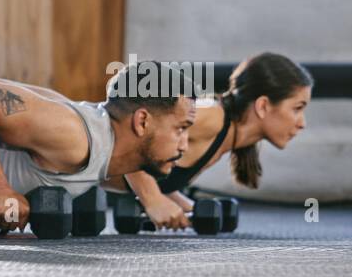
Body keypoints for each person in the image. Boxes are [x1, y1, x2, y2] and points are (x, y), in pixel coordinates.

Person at [0, 61, 198, 232]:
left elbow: (134, 164)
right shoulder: (73, 136)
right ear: (142, 121)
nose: (185, 145)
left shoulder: (106, 149)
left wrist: (166, 200)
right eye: (181, 128)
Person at [103, 53, 313, 229]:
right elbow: (131, 132)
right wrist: (152, 200)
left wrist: (184, 206)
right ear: (263, 106)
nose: (302, 123)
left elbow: (155, 168)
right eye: (297, 108)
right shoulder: (212, 118)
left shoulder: (227, 139)